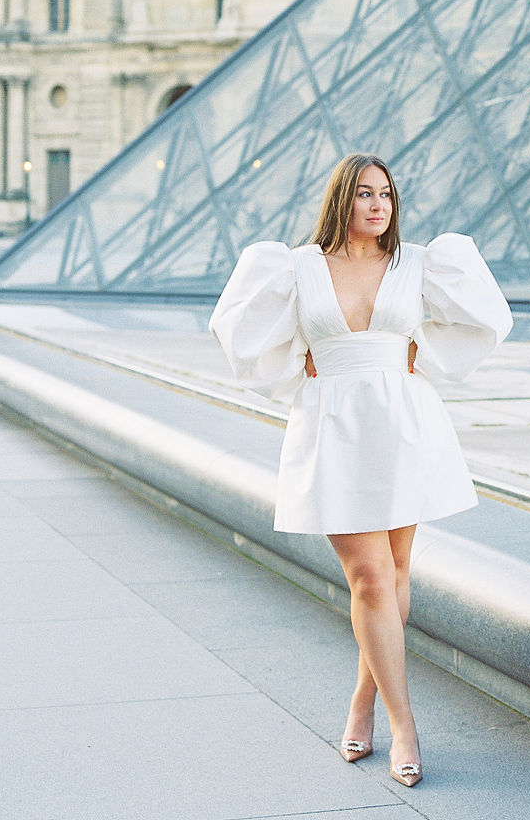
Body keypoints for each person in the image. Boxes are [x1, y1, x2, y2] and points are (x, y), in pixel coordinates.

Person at [209, 153, 512, 787]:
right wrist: (303, 366)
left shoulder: (419, 263)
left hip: (404, 423)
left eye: (387, 194)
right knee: (371, 577)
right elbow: (237, 333)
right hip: (332, 429)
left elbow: (486, 318)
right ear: (340, 199)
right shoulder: (294, 267)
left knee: (397, 572)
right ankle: (406, 726)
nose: (378, 205)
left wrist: (415, 351)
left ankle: (364, 700)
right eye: (364, 193)